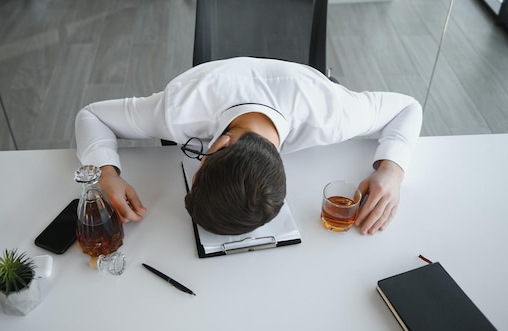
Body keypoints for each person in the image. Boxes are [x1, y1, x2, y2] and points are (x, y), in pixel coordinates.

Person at [75, 57, 423, 236]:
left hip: (300, 84)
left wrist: (392, 170)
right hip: (213, 83)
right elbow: (91, 115)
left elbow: (408, 108)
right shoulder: (178, 109)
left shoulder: (331, 113)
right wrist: (104, 173)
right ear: (218, 146)